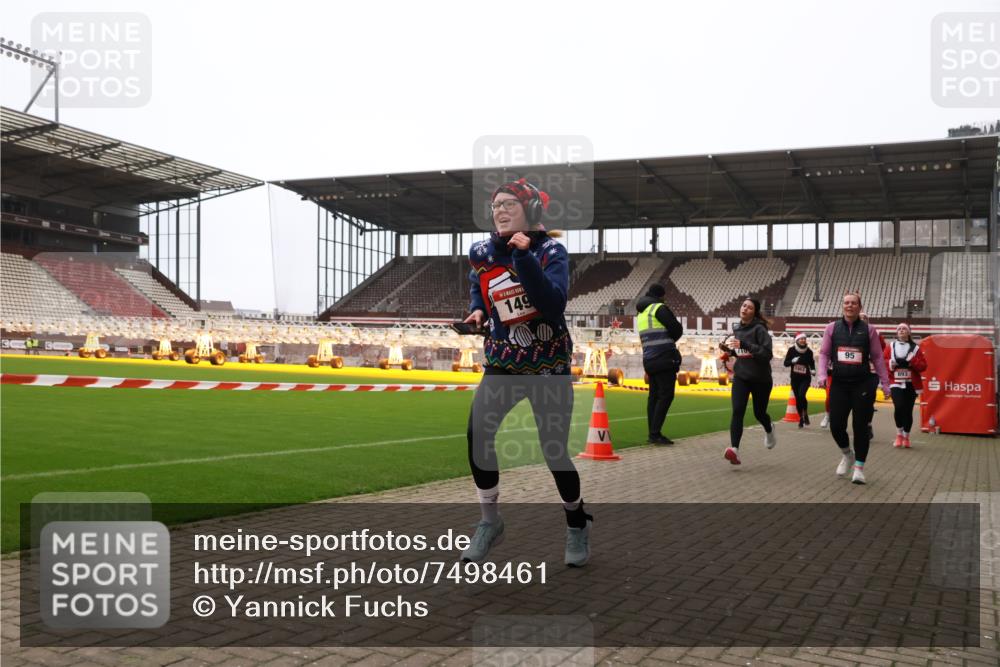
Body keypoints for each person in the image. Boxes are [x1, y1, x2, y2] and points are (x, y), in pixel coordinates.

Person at [460, 178, 592, 567]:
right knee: (477, 433)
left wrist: (523, 258)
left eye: (509, 205)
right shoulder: (481, 251)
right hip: (503, 360)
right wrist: (479, 311)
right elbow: (479, 287)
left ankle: (576, 522)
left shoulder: (551, 250)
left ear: (530, 211)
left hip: (548, 363)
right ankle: (489, 521)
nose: (499, 210)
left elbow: (552, 304)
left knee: (554, 450)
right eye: (495, 205)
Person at [817, 291, 891, 485]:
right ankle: (847, 454)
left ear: (860, 307)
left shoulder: (869, 330)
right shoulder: (832, 328)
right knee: (836, 426)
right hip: (840, 384)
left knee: (861, 427)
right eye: (846, 303)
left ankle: (859, 468)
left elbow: (877, 358)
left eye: (853, 303)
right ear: (843, 306)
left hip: (862, 384)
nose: (849, 306)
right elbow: (824, 354)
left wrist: (885, 383)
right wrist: (822, 374)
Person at [718, 298, 776, 465]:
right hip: (741, 377)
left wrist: (745, 344)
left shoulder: (760, 329)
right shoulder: (736, 328)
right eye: (744, 305)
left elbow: (766, 354)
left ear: (754, 312)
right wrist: (730, 352)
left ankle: (769, 428)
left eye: (749, 308)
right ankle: (734, 449)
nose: (745, 309)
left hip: (761, 379)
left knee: (759, 413)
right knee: (737, 410)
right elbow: (742, 354)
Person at [635, 284, 683, 445]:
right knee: (666, 395)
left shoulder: (641, 313)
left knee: (654, 397)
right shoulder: (659, 308)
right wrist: (670, 340)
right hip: (664, 358)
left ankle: (652, 433)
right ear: (661, 295)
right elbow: (677, 329)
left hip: (649, 359)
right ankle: (655, 433)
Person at [885, 323, 927, 448]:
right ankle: (899, 434)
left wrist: (913, 360)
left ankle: (906, 437)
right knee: (899, 407)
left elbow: (923, 366)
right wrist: (890, 363)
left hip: (911, 383)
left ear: (909, 333)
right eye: (899, 329)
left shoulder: (916, 348)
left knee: (908, 411)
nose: (902, 330)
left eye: (904, 329)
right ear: (897, 332)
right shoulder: (890, 346)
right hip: (895, 382)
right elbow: (883, 360)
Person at [783, 333, 815, 428]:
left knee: (802, 395)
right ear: (797, 340)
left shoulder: (809, 351)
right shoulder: (791, 350)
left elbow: (811, 363)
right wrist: (792, 361)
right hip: (795, 378)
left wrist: (813, 369)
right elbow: (786, 363)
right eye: (801, 339)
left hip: (805, 378)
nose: (803, 340)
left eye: (804, 339)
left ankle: (805, 413)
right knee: (798, 398)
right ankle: (801, 417)